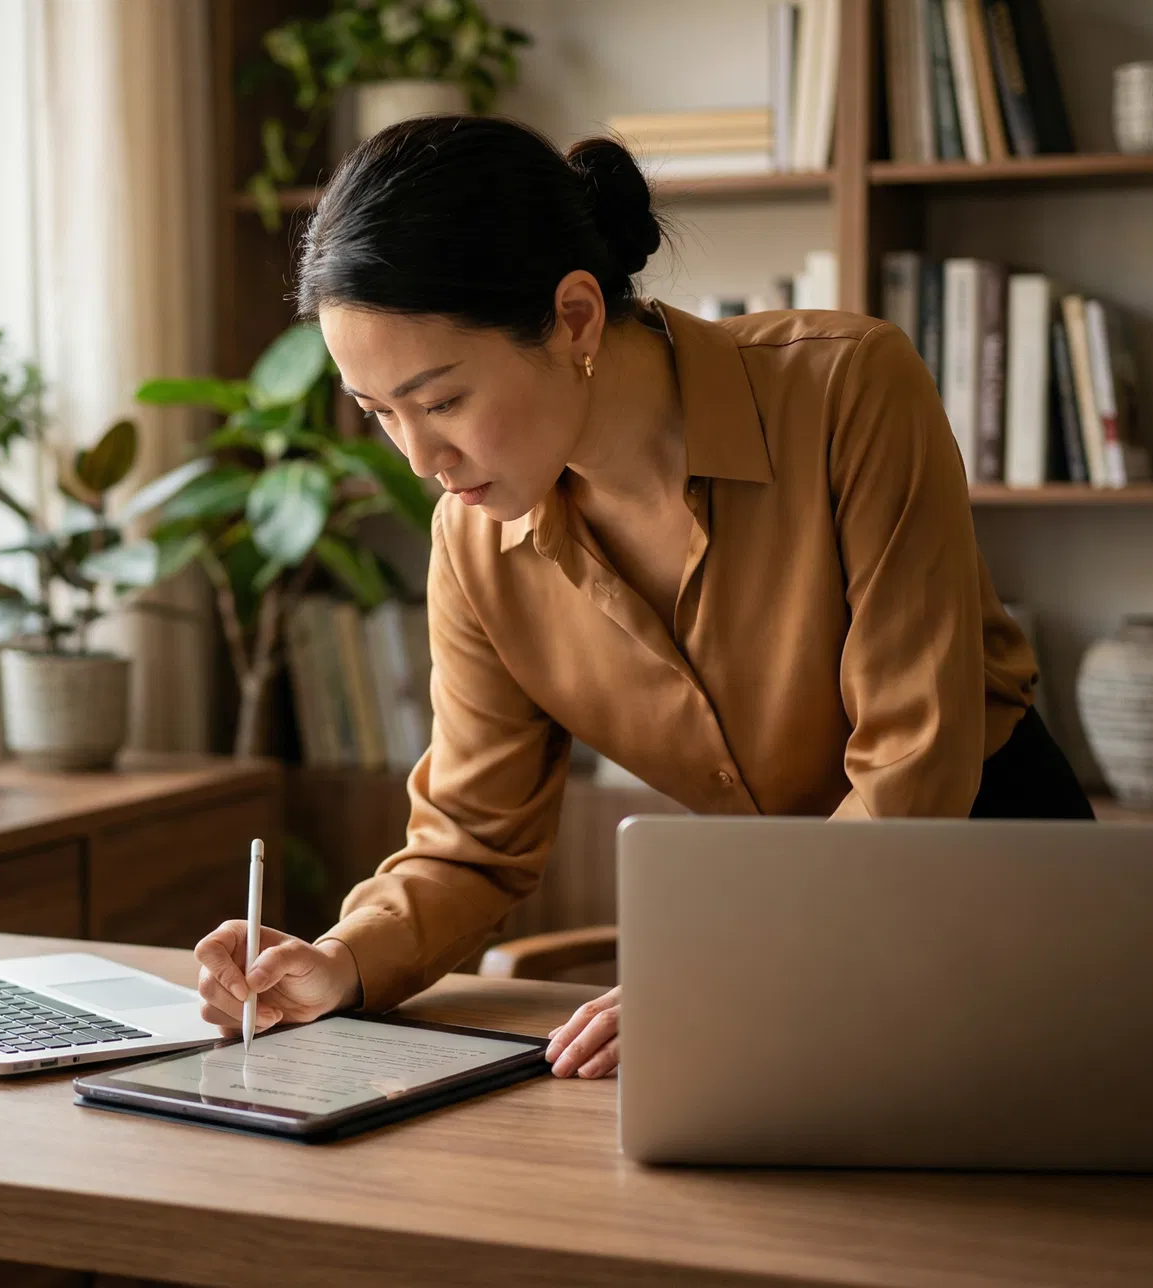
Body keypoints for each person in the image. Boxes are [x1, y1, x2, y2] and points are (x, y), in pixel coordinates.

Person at [191, 116, 1092, 1081]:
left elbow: (911, 766)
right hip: (781, 939)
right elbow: (474, 842)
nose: (419, 460)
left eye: (442, 402)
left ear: (576, 316)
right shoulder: (478, 544)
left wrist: (720, 969)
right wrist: (338, 961)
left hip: (995, 889)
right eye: (380, 416)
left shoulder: (847, 391)